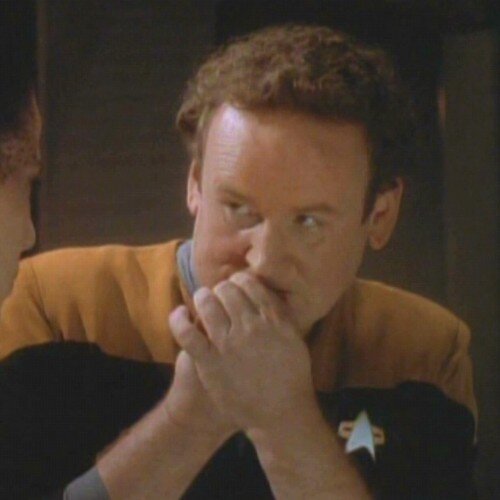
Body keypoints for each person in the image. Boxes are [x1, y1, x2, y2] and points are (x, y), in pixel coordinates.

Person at [0, 24, 476, 499]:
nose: (263, 260)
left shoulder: (424, 351)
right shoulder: (55, 305)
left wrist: (286, 422)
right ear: (194, 184)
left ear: (380, 216)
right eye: (239, 210)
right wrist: (189, 421)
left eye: (309, 222)